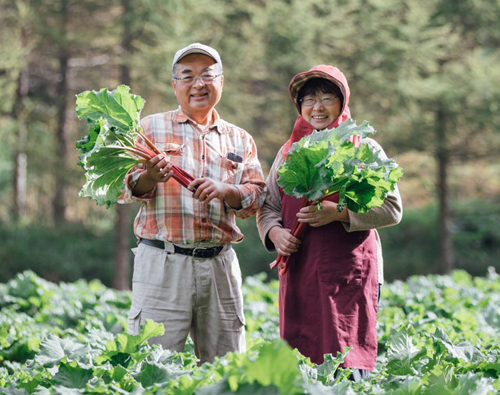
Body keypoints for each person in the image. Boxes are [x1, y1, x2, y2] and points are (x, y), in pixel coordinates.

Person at [119, 43, 265, 364]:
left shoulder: (239, 138)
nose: (198, 84)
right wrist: (151, 178)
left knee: (225, 370)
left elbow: (256, 197)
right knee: (150, 366)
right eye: (187, 76)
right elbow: (125, 186)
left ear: (221, 82)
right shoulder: (148, 129)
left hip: (220, 264)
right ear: (175, 85)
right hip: (163, 262)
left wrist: (227, 190)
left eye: (207, 75)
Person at [256, 65, 403, 379]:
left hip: (348, 273)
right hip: (300, 272)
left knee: (347, 360)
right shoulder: (288, 152)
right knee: (300, 363)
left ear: (342, 102)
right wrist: (275, 232)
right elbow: (268, 204)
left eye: (326, 98)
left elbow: (392, 208)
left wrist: (338, 213)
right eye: (308, 99)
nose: (316, 107)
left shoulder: (363, 149)